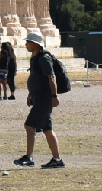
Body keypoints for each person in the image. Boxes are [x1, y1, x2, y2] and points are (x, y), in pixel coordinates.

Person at [13, 31, 65, 168]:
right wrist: (30, 94)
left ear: (35, 44)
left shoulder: (44, 58)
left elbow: (51, 77)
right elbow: (35, 79)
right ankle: (57, 160)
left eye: (28, 42)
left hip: (44, 98)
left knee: (29, 126)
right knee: (47, 129)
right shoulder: (35, 58)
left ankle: (29, 158)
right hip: (38, 97)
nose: (26, 44)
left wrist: (54, 96)